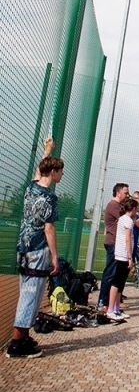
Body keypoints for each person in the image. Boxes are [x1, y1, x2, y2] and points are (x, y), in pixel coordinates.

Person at [6, 137, 64, 358]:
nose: (61, 175)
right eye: (60, 171)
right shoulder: (49, 197)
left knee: (27, 291)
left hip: (23, 247)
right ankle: (17, 343)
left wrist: (47, 150)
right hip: (38, 249)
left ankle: (24, 336)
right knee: (31, 295)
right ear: (53, 172)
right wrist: (55, 256)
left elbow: (38, 172)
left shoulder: (32, 187)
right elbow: (49, 228)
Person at [106, 197, 139, 321]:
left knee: (121, 283)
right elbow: (127, 239)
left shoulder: (125, 219)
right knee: (117, 282)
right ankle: (110, 309)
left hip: (123, 254)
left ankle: (116, 308)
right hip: (123, 254)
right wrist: (130, 257)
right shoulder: (127, 221)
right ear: (134, 208)